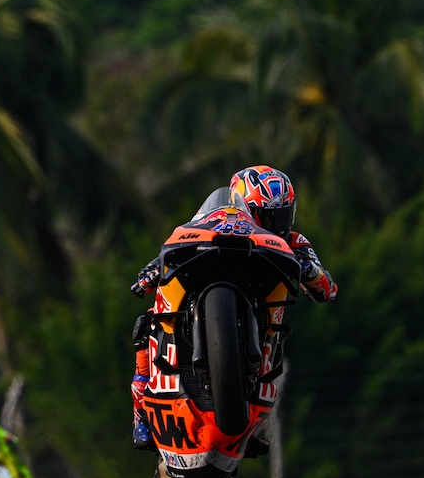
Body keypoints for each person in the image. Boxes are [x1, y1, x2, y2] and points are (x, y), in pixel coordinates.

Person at [129, 165, 338, 451]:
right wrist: (152, 272)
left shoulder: (293, 241)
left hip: (261, 301)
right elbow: (172, 249)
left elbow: (327, 290)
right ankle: (140, 412)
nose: (275, 223)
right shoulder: (210, 222)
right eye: (265, 215)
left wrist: (311, 270)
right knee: (147, 324)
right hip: (212, 279)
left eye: (281, 215)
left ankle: (247, 415)